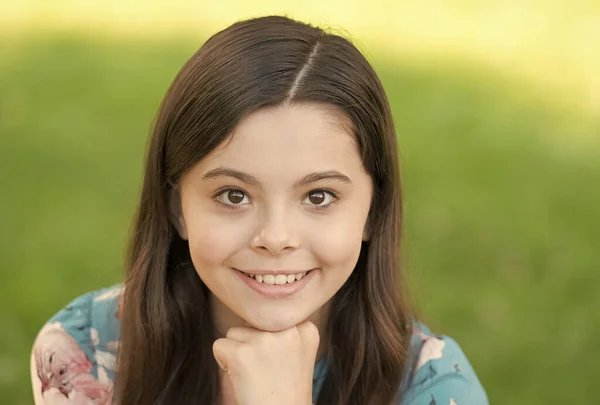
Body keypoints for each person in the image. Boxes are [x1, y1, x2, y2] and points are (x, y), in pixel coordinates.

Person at [30, 15, 489, 405]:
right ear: (176, 207)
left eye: (319, 196)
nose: (275, 236)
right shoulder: (86, 351)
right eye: (233, 195)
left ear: (373, 211)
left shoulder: (434, 388)